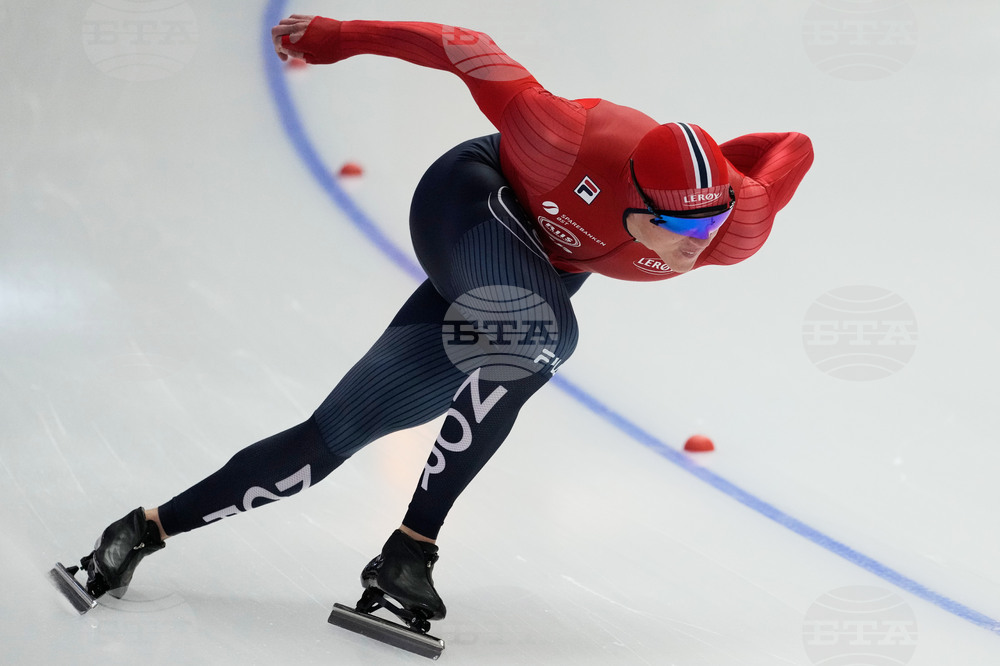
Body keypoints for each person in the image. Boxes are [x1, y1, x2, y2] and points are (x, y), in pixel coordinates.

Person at [75, 14, 814, 629]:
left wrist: (726, 175)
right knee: (546, 337)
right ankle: (411, 551)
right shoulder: (560, 137)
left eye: (709, 227)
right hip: (470, 203)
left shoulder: (733, 227)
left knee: (323, 444)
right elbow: (462, 46)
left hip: (527, 279)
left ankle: (141, 529)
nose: (693, 248)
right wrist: (335, 36)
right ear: (629, 193)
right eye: (673, 230)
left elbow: (793, 150)